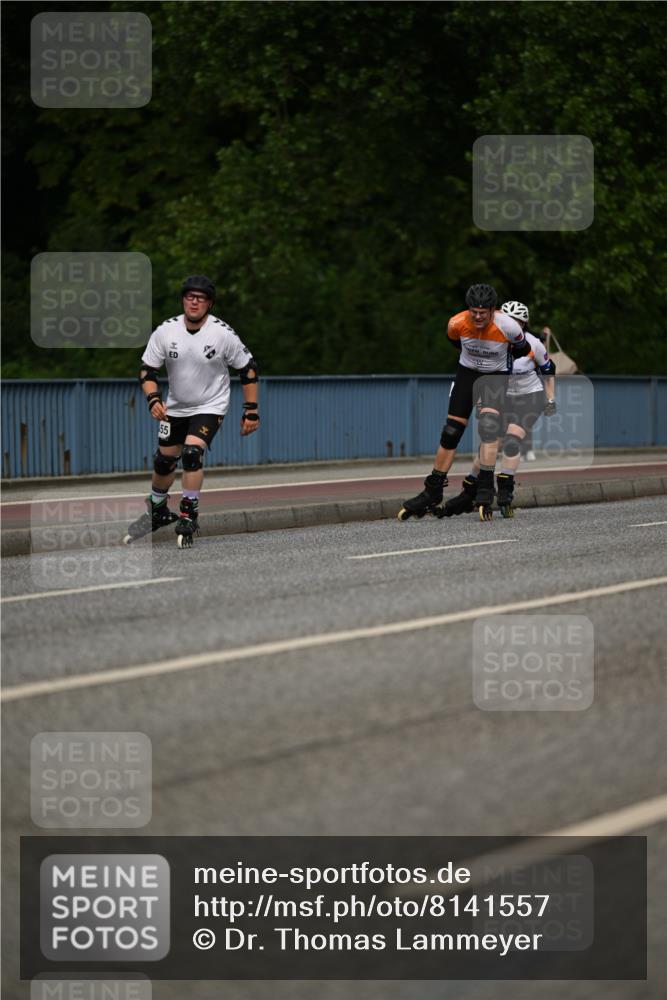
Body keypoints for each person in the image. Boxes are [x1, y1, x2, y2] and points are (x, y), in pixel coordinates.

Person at [123, 275, 259, 549]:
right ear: (183, 300)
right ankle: (158, 510)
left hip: (210, 405)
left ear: (209, 304)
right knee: (163, 461)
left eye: (200, 298)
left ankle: (188, 513)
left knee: (191, 454)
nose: (194, 302)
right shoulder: (166, 331)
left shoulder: (222, 334)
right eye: (189, 297)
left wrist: (251, 410)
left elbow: (248, 370)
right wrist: (152, 399)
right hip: (176, 407)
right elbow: (147, 371)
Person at [398, 283, 530, 521]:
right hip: (467, 374)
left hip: (495, 377)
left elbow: (523, 348)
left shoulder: (508, 326)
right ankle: (433, 490)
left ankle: (484, 490)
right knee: (451, 432)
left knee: (489, 429)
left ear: (493, 310)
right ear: (468, 309)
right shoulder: (456, 323)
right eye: (474, 312)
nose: (478, 317)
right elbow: (455, 342)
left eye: (483, 312)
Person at [444, 300, 556, 518]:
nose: (511, 324)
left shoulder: (533, 345)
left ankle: (505, 490)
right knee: (490, 444)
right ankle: (469, 488)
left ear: (523, 325)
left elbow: (549, 370)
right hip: (501, 396)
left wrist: (551, 398)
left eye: (518, 322)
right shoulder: (488, 340)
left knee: (513, 441)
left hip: (529, 396)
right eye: (508, 319)